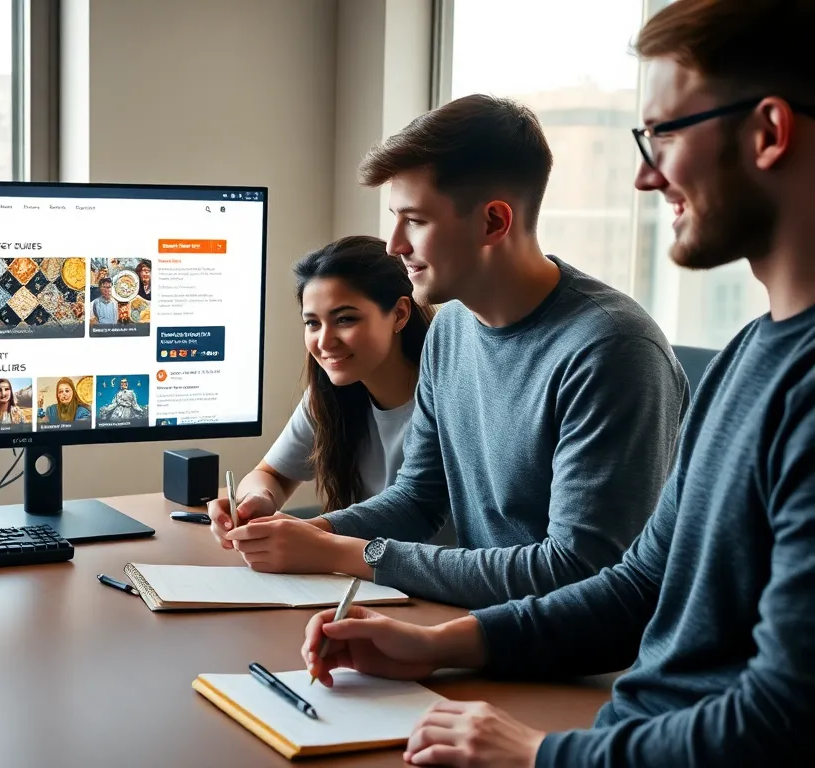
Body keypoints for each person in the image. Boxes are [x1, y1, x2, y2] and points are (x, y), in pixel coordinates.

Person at [301, 1, 815, 764]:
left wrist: (543, 755)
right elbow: (639, 584)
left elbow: (781, 718)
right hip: (620, 731)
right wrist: (438, 645)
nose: (644, 175)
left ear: (768, 132)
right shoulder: (751, 356)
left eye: (664, 135)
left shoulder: (772, 382)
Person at [220, 94, 689, 609]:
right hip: (482, 628)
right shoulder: (452, 330)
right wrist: (302, 531)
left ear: (493, 222)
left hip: (586, 668)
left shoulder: (613, 351)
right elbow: (417, 500)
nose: (394, 244)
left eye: (415, 221)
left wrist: (342, 549)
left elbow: (577, 571)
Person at [208, 236, 431, 529]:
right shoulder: (328, 396)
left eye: (345, 319)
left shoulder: (446, 400)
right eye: (312, 323)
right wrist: (256, 499)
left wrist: (314, 534)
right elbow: (270, 475)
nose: (324, 342)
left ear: (399, 314)